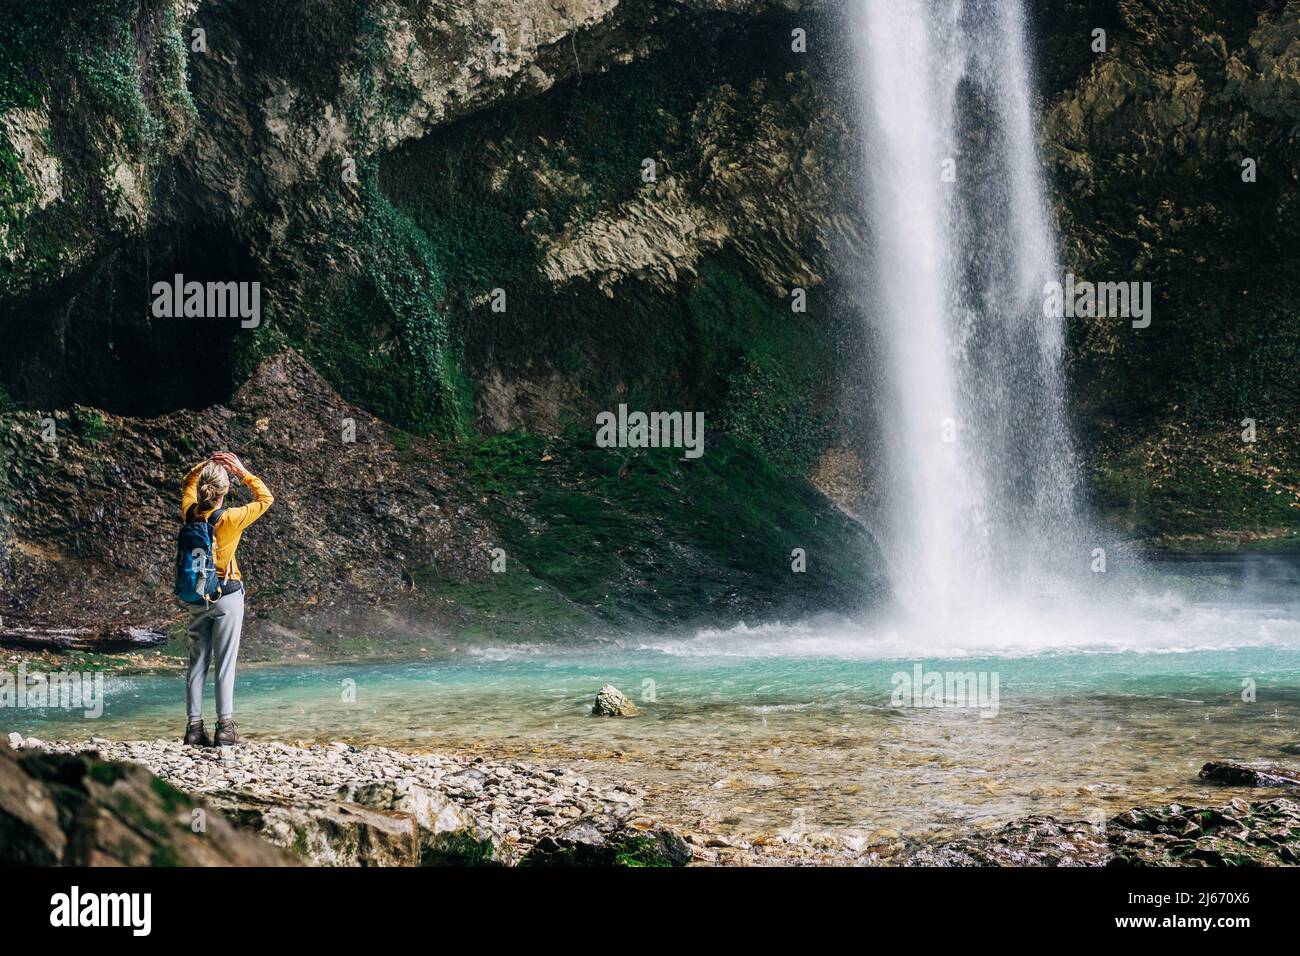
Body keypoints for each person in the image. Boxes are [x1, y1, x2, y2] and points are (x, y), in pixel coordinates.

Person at [179, 451, 273, 747]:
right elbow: (266, 499)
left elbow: (187, 481)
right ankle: (226, 728)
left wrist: (205, 463)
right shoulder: (231, 518)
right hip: (227, 595)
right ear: (225, 491)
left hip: (196, 596)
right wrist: (242, 471)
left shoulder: (189, 513)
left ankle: (194, 729)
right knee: (225, 663)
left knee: (198, 662)